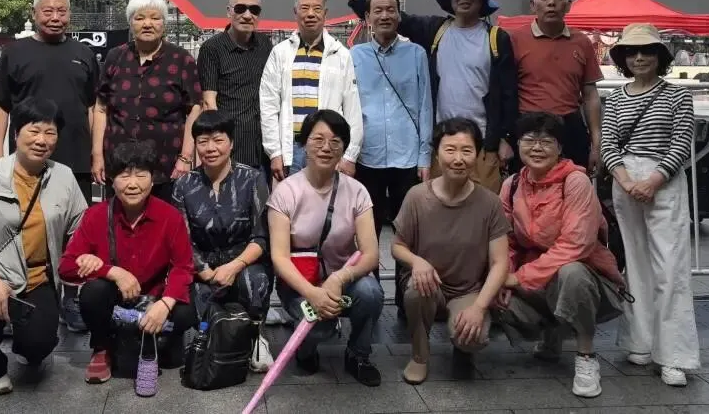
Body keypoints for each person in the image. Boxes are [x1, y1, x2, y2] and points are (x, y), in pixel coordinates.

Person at [332, 0, 516, 193]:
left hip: (484, 146)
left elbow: (509, 92)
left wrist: (506, 138)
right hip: (443, 143)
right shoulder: (437, 30)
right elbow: (387, 17)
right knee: (441, 205)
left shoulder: (496, 39)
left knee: (483, 205)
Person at [0, 98, 89, 394]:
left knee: (38, 346)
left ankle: (27, 340)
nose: (42, 140)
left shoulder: (63, 176)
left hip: (38, 279)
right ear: (16, 133)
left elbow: (82, 226)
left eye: (50, 133)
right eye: (34, 130)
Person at [0, 0, 99, 333]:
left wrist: (97, 152)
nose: (55, 17)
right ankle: (17, 298)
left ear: (69, 14)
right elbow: (1, 106)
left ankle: (71, 298)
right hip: (26, 161)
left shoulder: (84, 53)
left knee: (75, 233)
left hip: (75, 159)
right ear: (34, 13)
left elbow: (94, 107)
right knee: (22, 228)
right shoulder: (15, 53)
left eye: (61, 11)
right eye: (48, 11)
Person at [495, 112, 626, 399]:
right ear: (518, 145)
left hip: (583, 272)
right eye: (529, 140)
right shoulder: (512, 184)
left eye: (546, 142)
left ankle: (586, 356)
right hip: (537, 274)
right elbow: (508, 240)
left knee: (571, 273)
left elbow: (576, 244)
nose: (537, 148)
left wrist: (520, 277)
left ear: (560, 148)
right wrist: (506, 275)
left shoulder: (575, 181)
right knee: (491, 285)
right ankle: (551, 333)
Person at [602, 24, 700, 386]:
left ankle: (674, 355)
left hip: (664, 181)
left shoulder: (677, 96)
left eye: (647, 51)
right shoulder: (616, 98)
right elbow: (608, 143)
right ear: (623, 59)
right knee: (636, 263)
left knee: (670, 267)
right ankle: (639, 341)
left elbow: (681, 142)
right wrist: (627, 181)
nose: (639, 57)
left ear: (660, 56)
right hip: (626, 179)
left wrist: (654, 180)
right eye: (631, 51)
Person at [59, 139, 196, 385]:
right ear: (112, 180)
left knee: (185, 311)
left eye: (141, 175)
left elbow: (183, 267)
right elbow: (66, 267)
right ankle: (102, 347)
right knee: (93, 292)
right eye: (124, 176)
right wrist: (111, 271)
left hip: (154, 298)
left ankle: (155, 338)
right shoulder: (96, 215)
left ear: (152, 180)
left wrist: (164, 304)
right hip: (116, 301)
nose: (132, 184)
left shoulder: (170, 216)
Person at [267, 110, 383, 386]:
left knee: (371, 292)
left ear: (344, 147)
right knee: (321, 327)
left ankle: (358, 355)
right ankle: (306, 350)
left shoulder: (357, 191)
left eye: (335, 141)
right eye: (317, 139)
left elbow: (371, 254)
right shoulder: (286, 192)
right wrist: (313, 293)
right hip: (300, 283)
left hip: (343, 280)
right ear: (304, 143)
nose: (326, 147)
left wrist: (340, 278)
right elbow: (279, 258)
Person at [391, 118, 510, 384]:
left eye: (466, 151)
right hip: (428, 285)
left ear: (477, 155)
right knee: (416, 290)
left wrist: (479, 307)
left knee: (473, 337)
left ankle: (463, 349)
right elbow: (397, 246)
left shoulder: (490, 203)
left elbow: (500, 263)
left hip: (467, 291)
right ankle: (420, 355)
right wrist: (417, 262)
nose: (458, 159)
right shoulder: (417, 196)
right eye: (450, 150)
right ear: (437, 153)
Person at [171, 110, 274, 370]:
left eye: (218, 140)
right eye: (203, 141)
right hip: (201, 265)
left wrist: (234, 266)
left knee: (255, 280)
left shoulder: (252, 179)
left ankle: (254, 335)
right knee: (191, 299)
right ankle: (209, 335)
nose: (210, 148)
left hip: (243, 261)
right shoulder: (184, 185)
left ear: (231, 142)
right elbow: (181, 240)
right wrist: (204, 271)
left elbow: (261, 237)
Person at [92, 0, 202, 202]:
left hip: (166, 166)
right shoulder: (115, 57)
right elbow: (101, 108)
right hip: (119, 164)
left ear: (164, 23)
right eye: (140, 18)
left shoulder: (181, 59)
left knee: (163, 218)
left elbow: (194, 108)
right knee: (117, 218)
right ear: (130, 23)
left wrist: (186, 157)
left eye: (155, 18)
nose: (148, 24)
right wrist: (97, 155)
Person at [350, 0, 432, 239]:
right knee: (367, 229)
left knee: (408, 232)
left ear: (399, 16)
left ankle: (406, 268)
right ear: (367, 17)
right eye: (378, 10)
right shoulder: (354, 55)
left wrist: (425, 157)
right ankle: (369, 267)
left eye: (390, 10)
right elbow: (348, 107)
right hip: (367, 155)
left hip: (407, 156)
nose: (384, 15)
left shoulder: (416, 54)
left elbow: (425, 106)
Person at [259, 0, 363, 181]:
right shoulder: (280, 53)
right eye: (304, 8)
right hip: (291, 149)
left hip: (327, 148)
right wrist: (274, 152)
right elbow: (268, 105)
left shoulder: (341, 55)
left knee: (327, 199)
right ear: (295, 12)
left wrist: (350, 156)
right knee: (291, 200)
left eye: (317, 8)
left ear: (325, 13)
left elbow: (352, 109)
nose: (310, 14)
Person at [509, 0, 602, 173]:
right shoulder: (514, 40)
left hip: (570, 127)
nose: (551, 2)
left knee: (573, 184)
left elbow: (590, 94)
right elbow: (504, 91)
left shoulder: (582, 42)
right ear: (533, 5)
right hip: (527, 128)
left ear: (568, 6)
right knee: (527, 186)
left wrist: (596, 143)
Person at [197, 0, 273, 179]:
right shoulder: (212, 49)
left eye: (254, 10)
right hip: (230, 149)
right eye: (240, 8)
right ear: (228, 11)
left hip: (263, 146)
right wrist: (218, 145)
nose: (247, 15)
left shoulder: (265, 45)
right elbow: (209, 103)